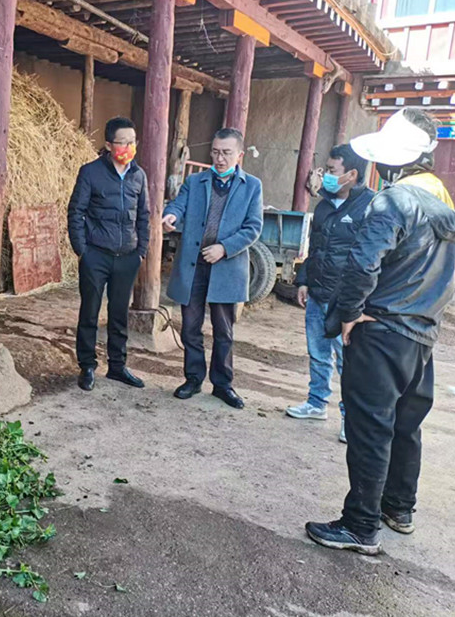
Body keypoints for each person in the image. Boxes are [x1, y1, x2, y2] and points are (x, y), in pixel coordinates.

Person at [305, 108, 455, 555]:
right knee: (405, 426)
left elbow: (363, 263)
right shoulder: (444, 205)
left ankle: (360, 525)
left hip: (382, 330)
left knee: (370, 428)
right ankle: (398, 508)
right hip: (421, 336)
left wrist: (349, 313)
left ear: (394, 161)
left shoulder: (392, 201)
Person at [161, 128, 263, 409]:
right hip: (193, 264)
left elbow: (253, 227)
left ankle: (222, 384)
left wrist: (224, 248)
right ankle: (193, 378)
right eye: (216, 152)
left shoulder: (252, 186)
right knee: (190, 327)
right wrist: (170, 216)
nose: (220, 158)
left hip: (226, 266)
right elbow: (178, 205)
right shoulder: (195, 182)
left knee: (223, 330)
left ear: (239, 155)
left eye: (226, 153)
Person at [287, 145, 374, 443]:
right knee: (318, 352)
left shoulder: (370, 207)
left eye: (332, 171)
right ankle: (316, 403)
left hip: (345, 299)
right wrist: (303, 280)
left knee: (347, 361)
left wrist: (356, 301)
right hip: (317, 292)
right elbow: (314, 248)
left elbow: (370, 259)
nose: (326, 176)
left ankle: (351, 419)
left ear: (352, 174)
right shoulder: (324, 205)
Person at [67, 116, 150, 392]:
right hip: (96, 255)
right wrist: (82, 250)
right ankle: (87, 366)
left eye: (132, 142)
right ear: (108, 145)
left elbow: (144, 215)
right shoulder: (90, 172)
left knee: (119, 314)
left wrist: (141, 250)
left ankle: (117, 366)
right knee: (90, 312)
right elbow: (76, 212)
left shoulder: (139, 175)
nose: (128, 147)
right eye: (122, 142)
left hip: (127, 257)